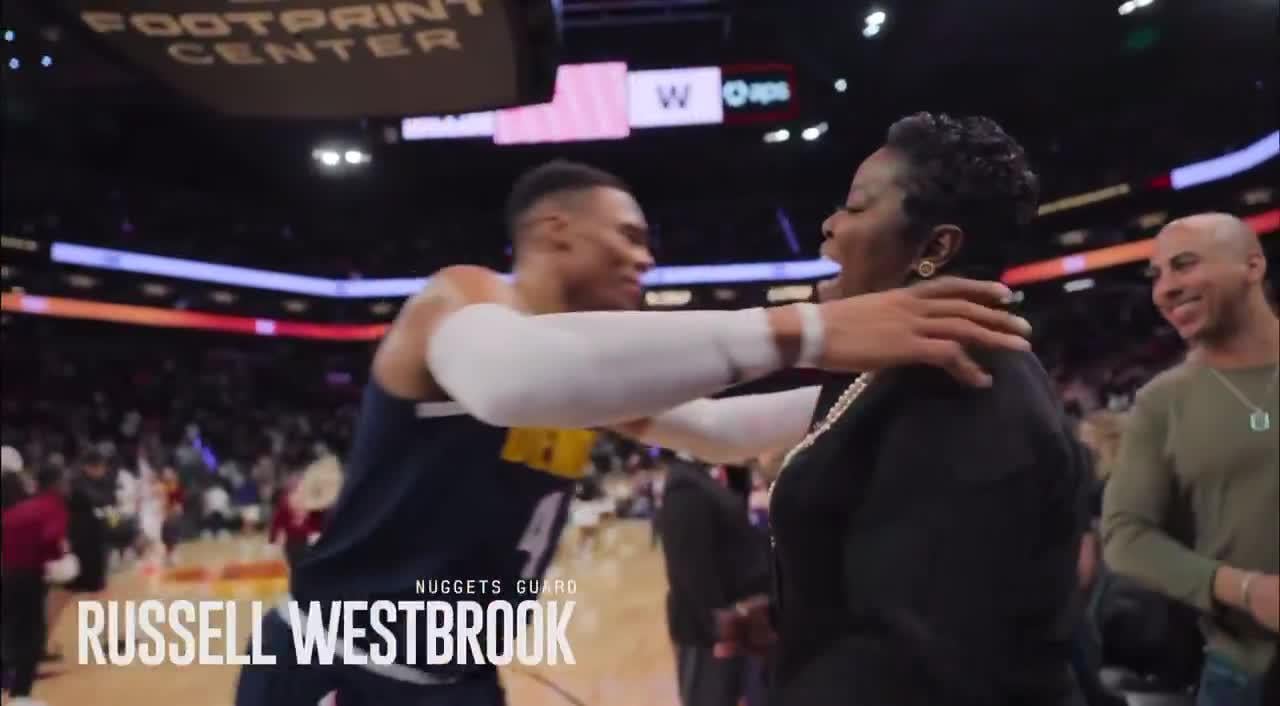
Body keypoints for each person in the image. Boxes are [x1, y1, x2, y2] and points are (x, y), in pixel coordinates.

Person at [234, 159, 1032, 706]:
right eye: (628, 235)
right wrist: (812, 330)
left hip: (457, 678)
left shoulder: (582, 370)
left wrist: (882, 384)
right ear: (556, 231)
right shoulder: (463, 300)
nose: (646, 260)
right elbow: (510, 379)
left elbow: (717, 431)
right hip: (341, 665)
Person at [714, 113, 1089, 705]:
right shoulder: (901, 368)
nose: (830, 224)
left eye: (856, 207)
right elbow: (893, 583)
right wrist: (797, 617)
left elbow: (918, 661)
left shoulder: (964, 389)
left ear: (934, 248)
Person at [1102, 212, 1279, 706]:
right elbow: (1125, 535)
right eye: (1157, 276)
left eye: (1184, 265)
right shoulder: (1160, 403)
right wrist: (1246, 589)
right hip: (1245, 672)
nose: (1165, 289)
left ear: (1252, 265)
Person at [659, 455, 771, 706]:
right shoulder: (684, 485)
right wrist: (718, 629)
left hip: (736, 622)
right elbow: (689, 572)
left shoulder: (713, 474)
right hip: (706, 634)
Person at [1, 465, 76, 706]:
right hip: (28, 576)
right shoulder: (51, 506)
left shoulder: (18, 510)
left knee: (11, 632)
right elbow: (51, 538)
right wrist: (60, 559)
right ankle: (20, 696)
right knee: (32, 637)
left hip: (8, 574)